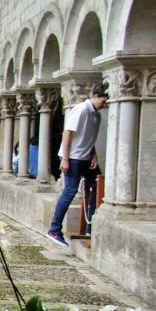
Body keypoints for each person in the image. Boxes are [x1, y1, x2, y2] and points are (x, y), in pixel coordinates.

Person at [47, 84, 108, 247]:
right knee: (70, 191)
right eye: (103, 100)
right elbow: (68, 133)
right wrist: (65, 159)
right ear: (95, 96)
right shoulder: (81, 109)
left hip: (86, 157)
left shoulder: (96, 114)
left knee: (99, 186)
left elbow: (88, 137)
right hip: (73, 157)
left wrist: (93, 153)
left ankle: (90, 226)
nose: (105, 104)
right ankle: (54, 229)